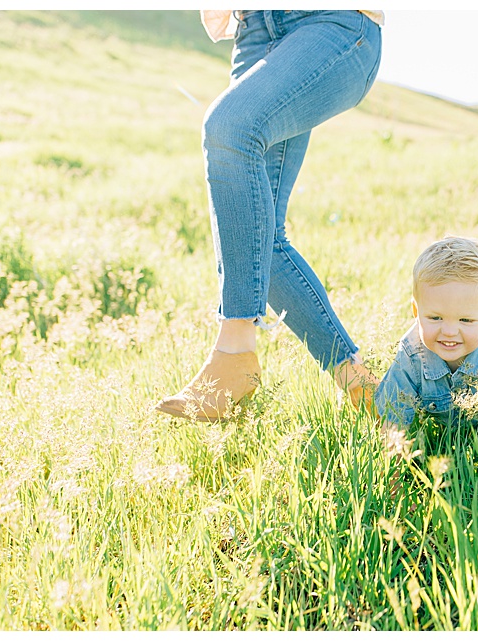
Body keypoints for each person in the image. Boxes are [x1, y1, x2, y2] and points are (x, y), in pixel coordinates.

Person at [157, 11, 385, 421]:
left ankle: (234, 352)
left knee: (229, 127)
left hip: (329, 21)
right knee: (264, 242)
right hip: (252, 29)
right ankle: (372, 396)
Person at [373, 237, 478, 450]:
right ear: (416, 311)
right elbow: (392, 423)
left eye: (466, 320)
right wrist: (392, 480)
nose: (449, 332)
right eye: (435, 318)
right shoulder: (411, 354)